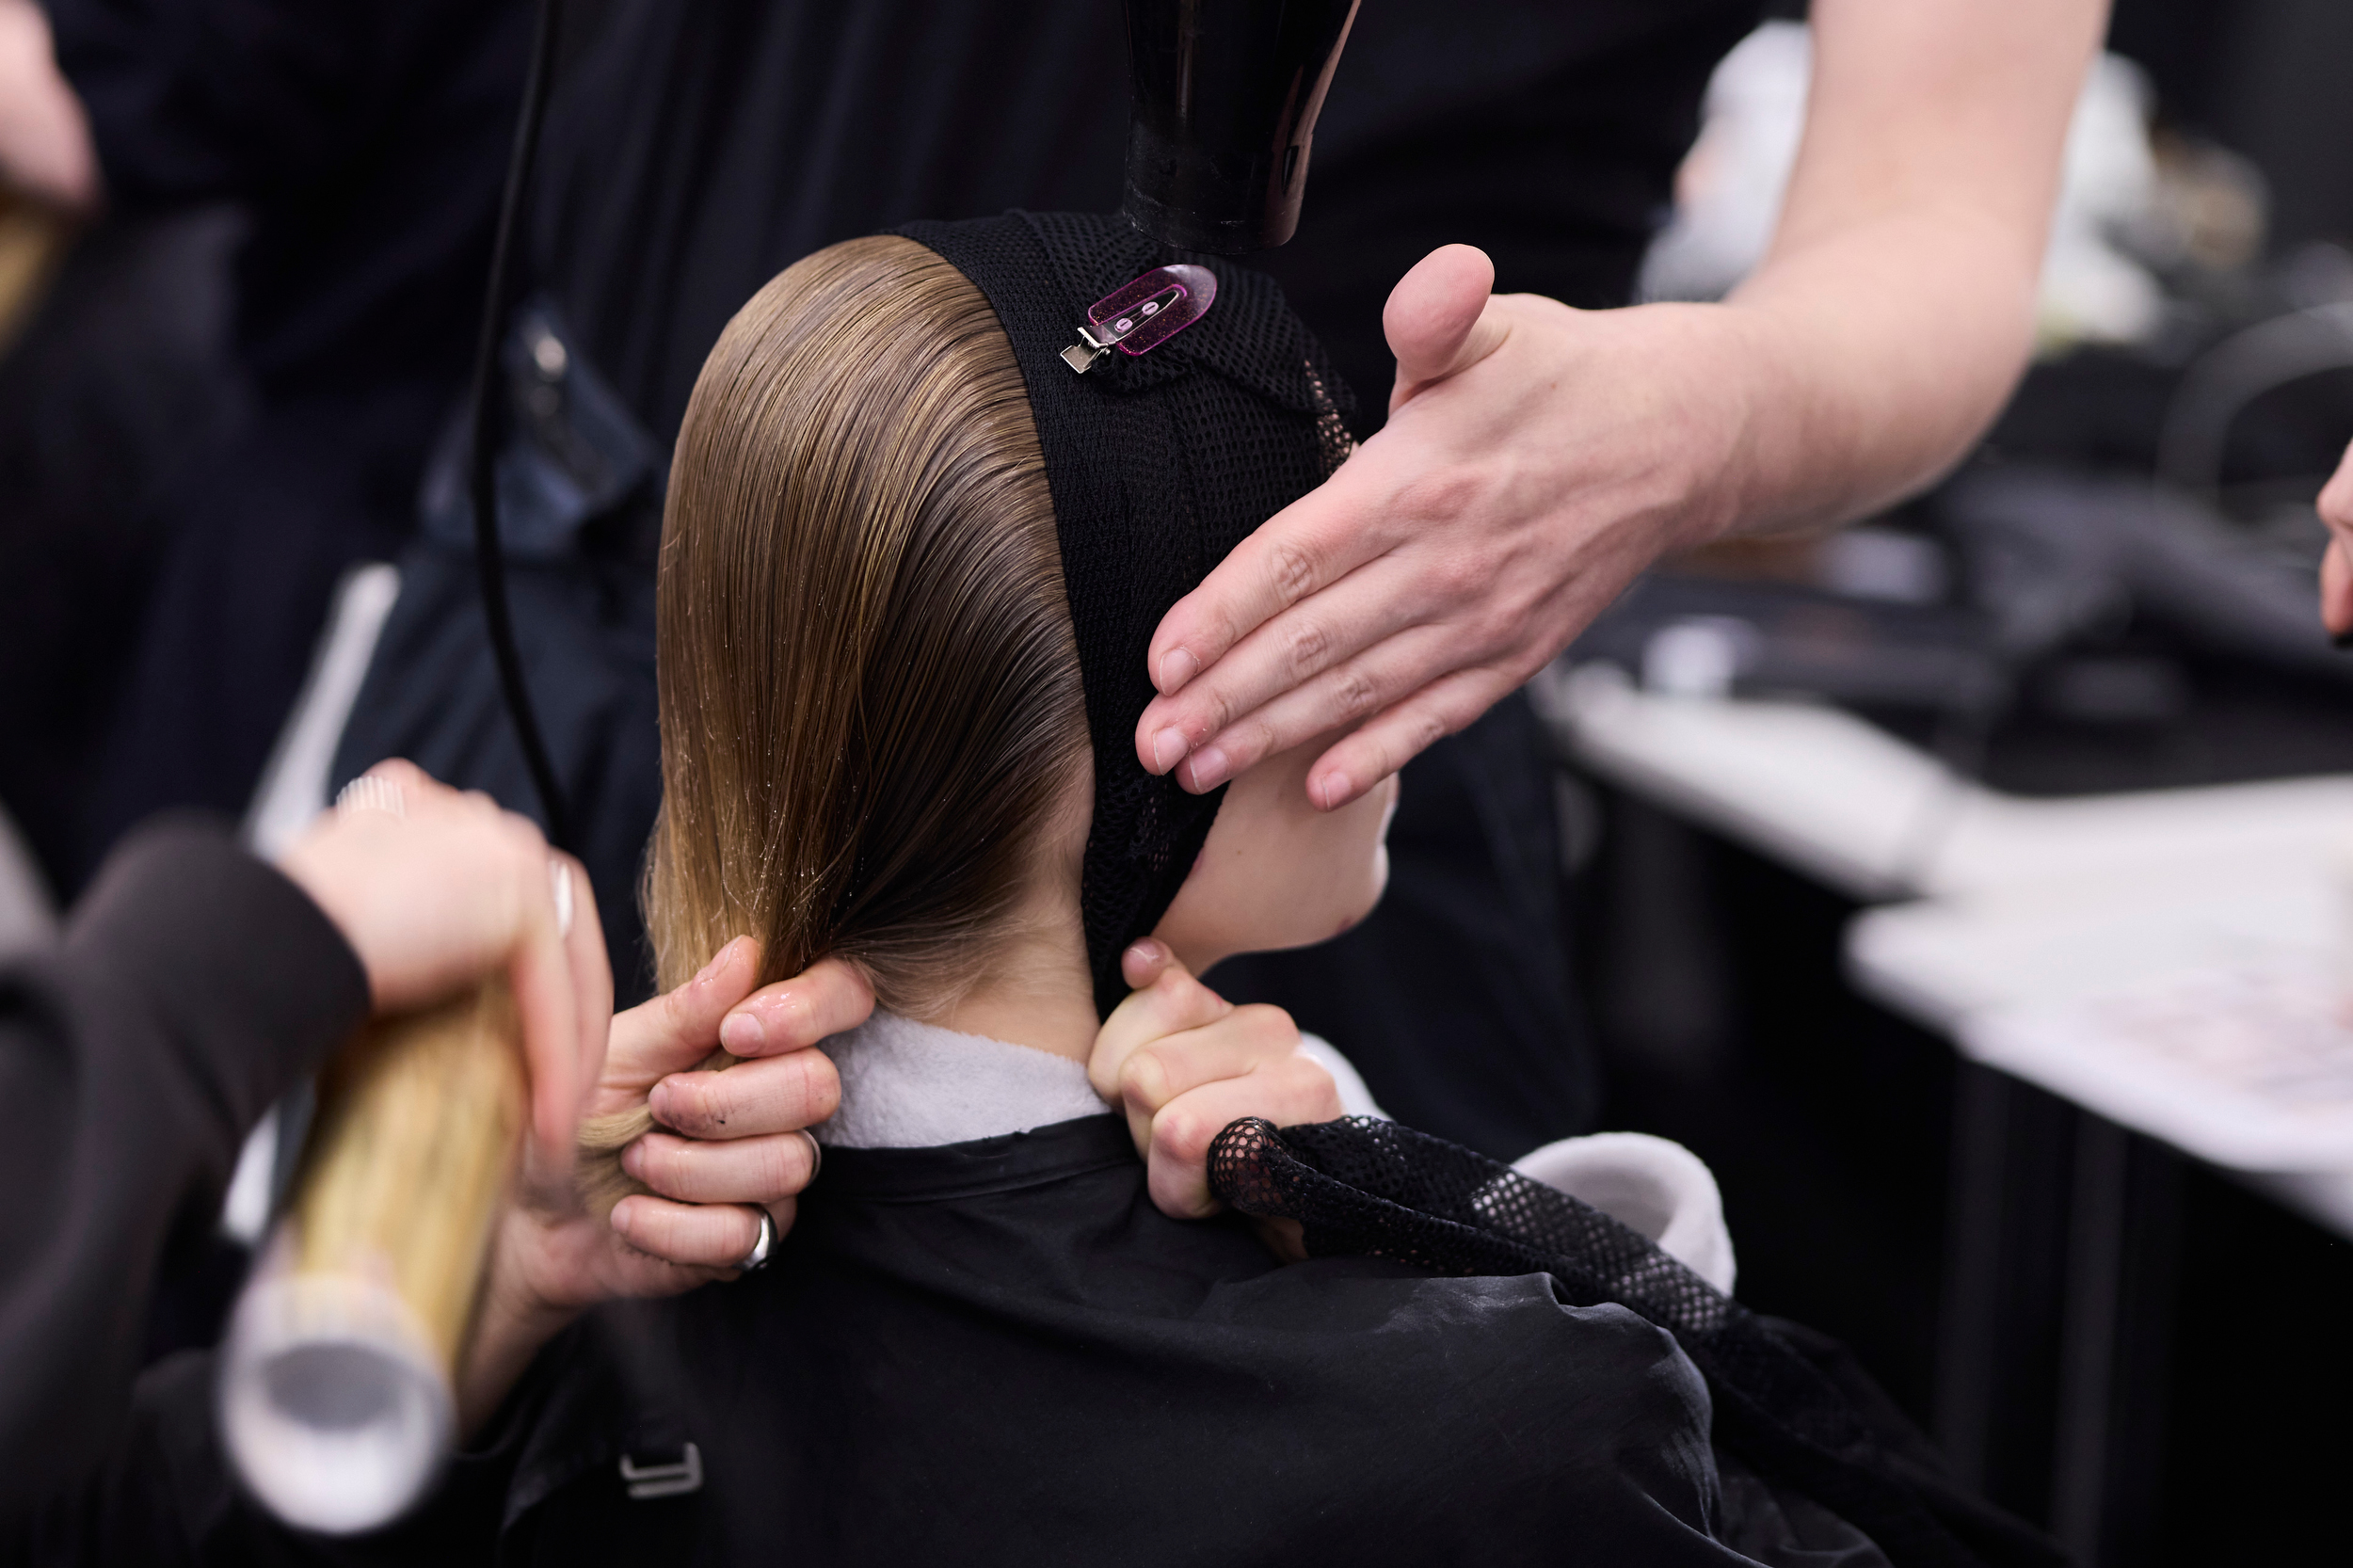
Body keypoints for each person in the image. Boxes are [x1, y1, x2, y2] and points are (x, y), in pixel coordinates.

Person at [53, 216, 2049, 1564]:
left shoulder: (532, 1362)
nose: (1417, 637)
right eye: (1323, 578)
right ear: (1138, 745)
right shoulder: (1515, 1425)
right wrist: (1455, 1243)